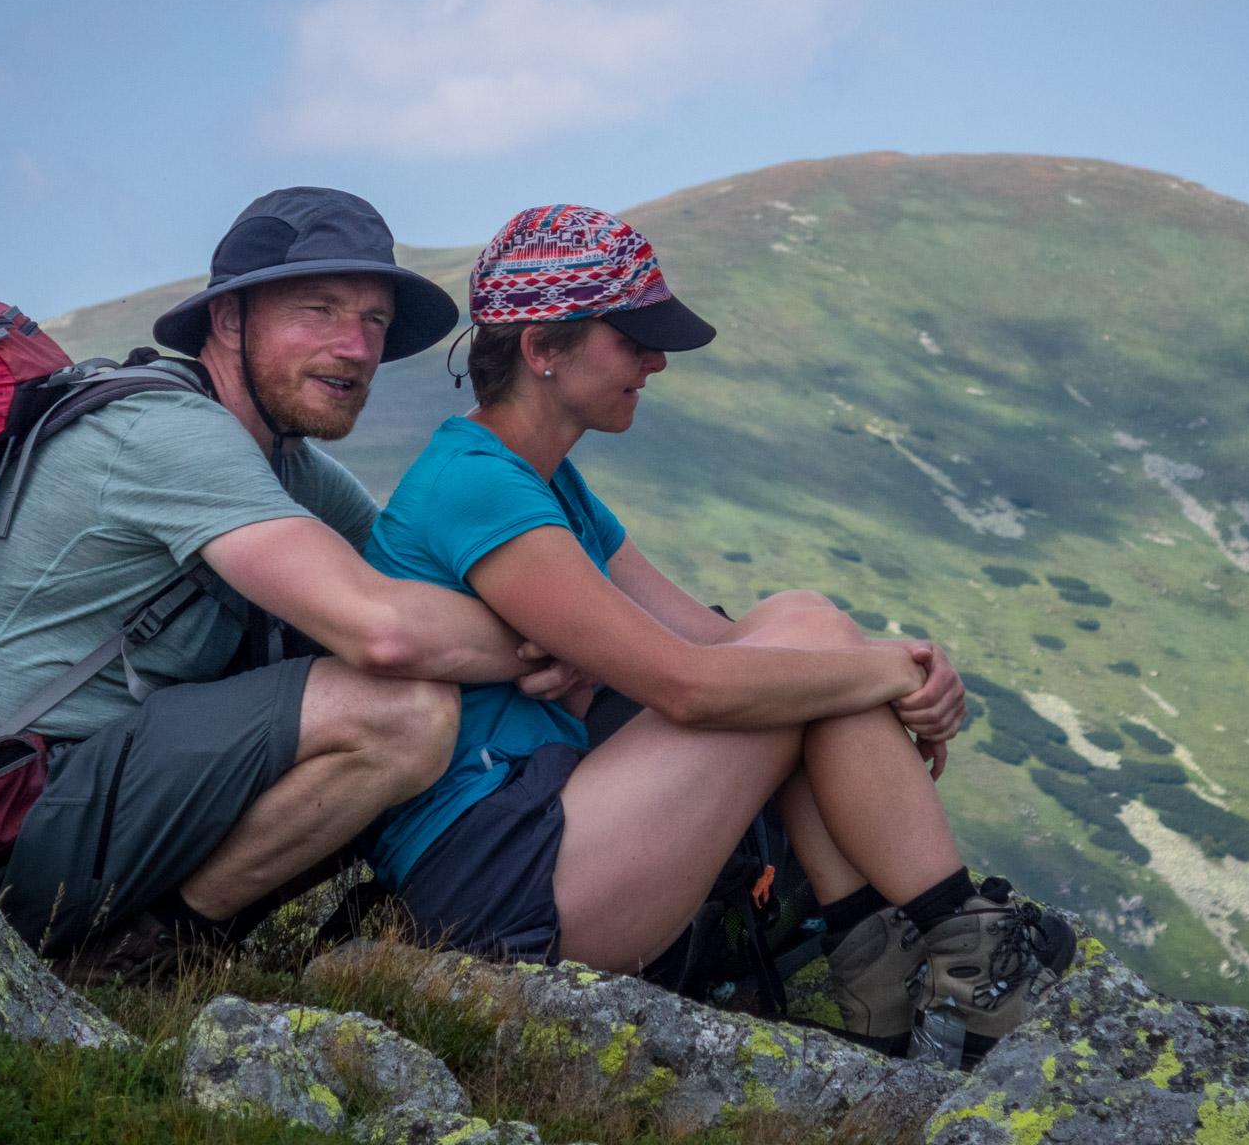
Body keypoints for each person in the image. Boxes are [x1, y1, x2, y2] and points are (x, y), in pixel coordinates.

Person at [360, 204, 1074, 1068]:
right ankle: (961, 951)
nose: (656, 361)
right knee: (814, 659)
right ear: (543, 347)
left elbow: (719, 641)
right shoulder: (476, 484)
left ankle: (886, 966)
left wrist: (876, 668)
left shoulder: (550, 482)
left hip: (554, 830)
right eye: (633, 339)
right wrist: (894, 673)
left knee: (804, 617)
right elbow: (690, 684)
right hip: (502, 887)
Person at [0, 187, 583, 983]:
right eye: (318, 310)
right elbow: (386, 625)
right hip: (2, 821)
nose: (355, 347)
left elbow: (416, 580)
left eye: (374, 322)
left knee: (424, 678)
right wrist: (562, 640)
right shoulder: (165, 435)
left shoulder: (286, 466)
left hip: (90, 798)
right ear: (230, 321)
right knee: (403, 710)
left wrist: (540, 627)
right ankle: (145, 956)